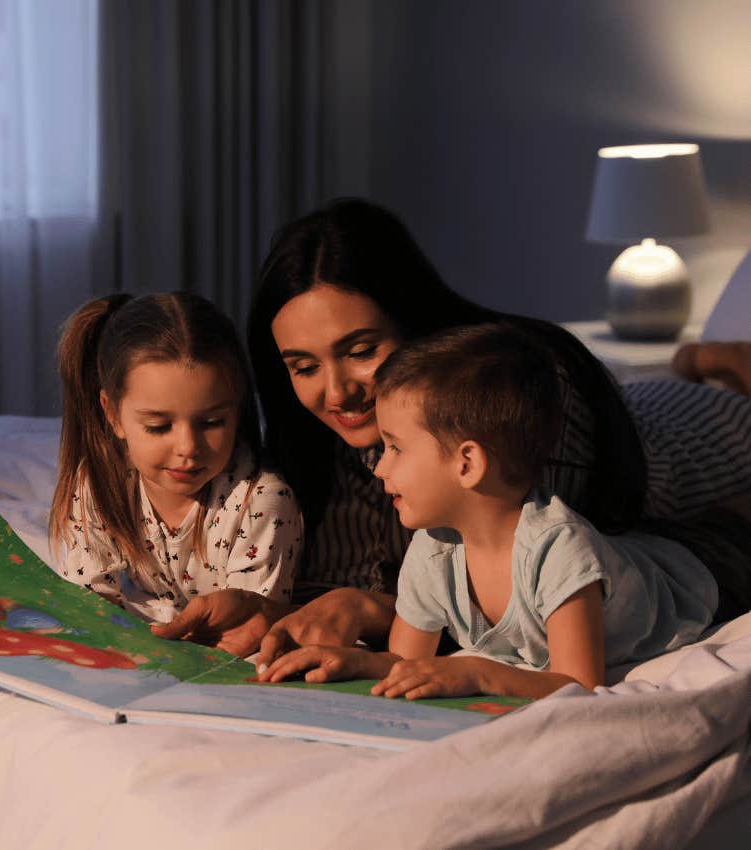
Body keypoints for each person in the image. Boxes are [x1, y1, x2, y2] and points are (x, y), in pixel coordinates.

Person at [153, 198, 751, 662]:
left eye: (361, 350)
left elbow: (522, 609)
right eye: (304, 367)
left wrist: (368, 609)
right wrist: (269, 609)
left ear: (418, 323)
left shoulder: (523, 394)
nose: (336, 394)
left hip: (704, 439)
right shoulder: (329, 438)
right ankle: (704, 362)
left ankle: (707, 363)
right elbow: (362, 579)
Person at [258, 324, 720, 699]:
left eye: (395, 447)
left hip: (696, 569)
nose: (380, 468)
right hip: (629, 551)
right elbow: (405, 660)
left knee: (734, 525)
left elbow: (579, 684)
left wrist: (480, 674)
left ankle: (723, 362)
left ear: (468, 463)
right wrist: (355, 661)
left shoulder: (559, 549)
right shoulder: (434, 547)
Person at [49, 292, 302, 638]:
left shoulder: (262, 503)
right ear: (112, 414)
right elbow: (90, 604)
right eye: (158, 427)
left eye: (212, 422)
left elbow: (248, 632)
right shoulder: (98, 482)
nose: (187, 448)